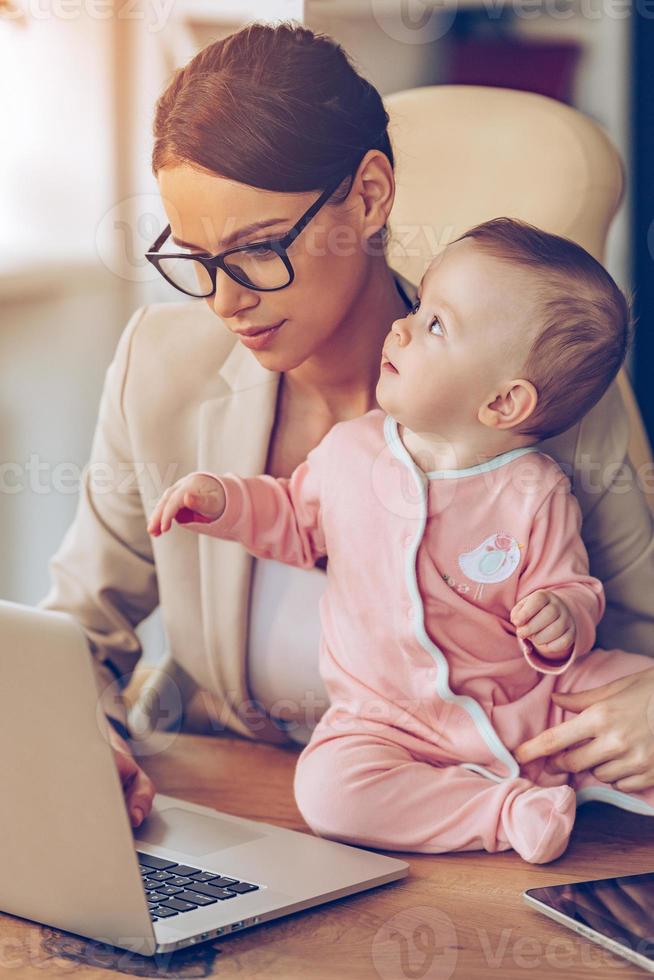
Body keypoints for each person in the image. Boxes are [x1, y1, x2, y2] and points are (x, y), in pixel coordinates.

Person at [38, 23, 654, 835]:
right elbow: (79, 634)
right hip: (231, 816)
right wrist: (85, 740)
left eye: (258, 250)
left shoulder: (530, 387)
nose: (224, 302)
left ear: (368, 195)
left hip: (492, 846)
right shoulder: (158, 367)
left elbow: (639, 632)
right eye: (193, 257)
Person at [146, 218, 654, 863]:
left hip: (528, 705)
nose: (401, 327)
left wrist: (564, 616)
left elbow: (570, 586)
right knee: (330, 793)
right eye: (417, 309)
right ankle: (506, 812)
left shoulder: (534, 490)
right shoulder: (351, 451)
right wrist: (223, 502)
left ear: (504, 404)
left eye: (435, 325)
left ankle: (579, 777)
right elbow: (295, 521)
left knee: (634, 697)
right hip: (390, 722)